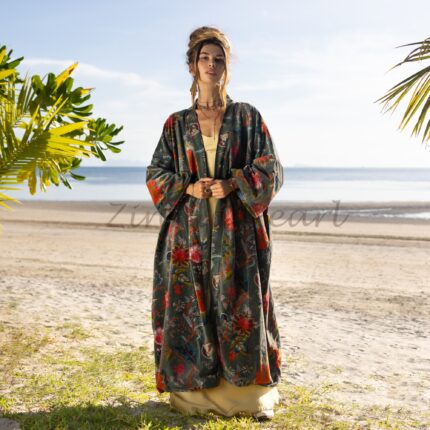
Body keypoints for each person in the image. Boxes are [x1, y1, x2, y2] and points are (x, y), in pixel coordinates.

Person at [146, 26, 284, 421]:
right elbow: (156, 173)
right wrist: (188, 188)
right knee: (191, 306)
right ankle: (192, 396)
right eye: (204, 58)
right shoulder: (176, 124)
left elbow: (271, 168)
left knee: (240, 303)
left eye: (218, 59)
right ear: (192, 66)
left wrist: (233, 183)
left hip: (237, 232)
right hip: (187, 232)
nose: (211, 64)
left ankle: (250, 397)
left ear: (227, 66)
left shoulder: (247, 117)